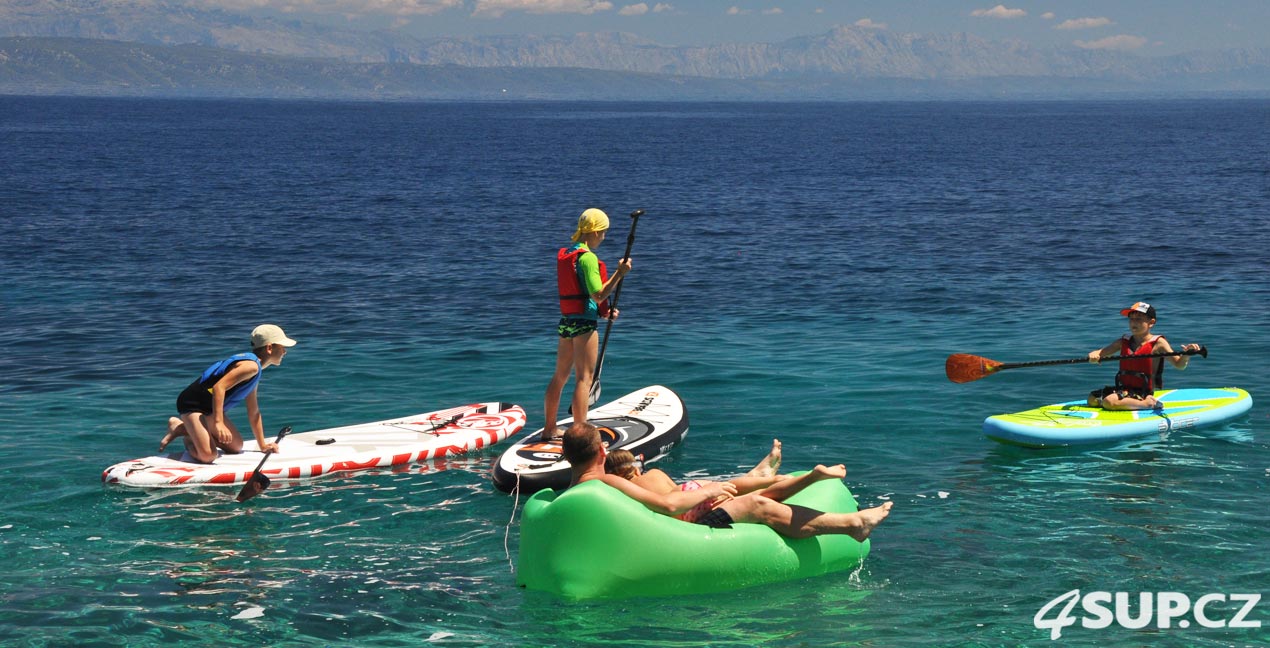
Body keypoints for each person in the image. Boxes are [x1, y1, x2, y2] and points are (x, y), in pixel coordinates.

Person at [565, 422, 892, 541]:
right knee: (756, 503)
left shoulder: (573, 490)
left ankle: (766, 476)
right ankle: (852, 525)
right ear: (601, 451)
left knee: (746, 494)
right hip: (681, 531)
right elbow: (667, 504)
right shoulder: (606, 481)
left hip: (671, 524)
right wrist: (708, 488)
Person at [541, 208, 632, 441]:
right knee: (584, 378)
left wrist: (605, 312)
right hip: (584, 325)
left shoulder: (567, 253)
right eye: (603, 233)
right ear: (595, 232)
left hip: (567, 322)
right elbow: (598, 294)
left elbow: (588, 295)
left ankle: (549, 429)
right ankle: (582, 437)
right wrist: (620, 273)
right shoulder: (588, 257)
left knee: (559, 376)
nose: (603, 238)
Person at [158, 324, 296, 463]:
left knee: (236, 447)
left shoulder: (255, 370)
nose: (285, 351)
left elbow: (253, 411)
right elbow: (219, 387)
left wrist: (263, 445)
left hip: (209, 407)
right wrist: (219, 422)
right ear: (269, 348)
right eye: (282, 347)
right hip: (193, 404)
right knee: (208, 456)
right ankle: (181, 428)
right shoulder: (250, 366)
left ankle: (190, 431)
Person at [1087, 302, 1201, 410]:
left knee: (1109, 402)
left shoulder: (1158, 343)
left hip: (1143, 391)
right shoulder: (1123, 341)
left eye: (1138, 319)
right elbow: (1102, 352)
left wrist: (1186, 355)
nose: (1133, 323)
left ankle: (1148, 403)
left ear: (1151, 323)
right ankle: (1123, 403)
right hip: (1124, 389)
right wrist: (1095, 355)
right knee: (1092, 399)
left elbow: (1179, 365)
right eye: (1131, 319)